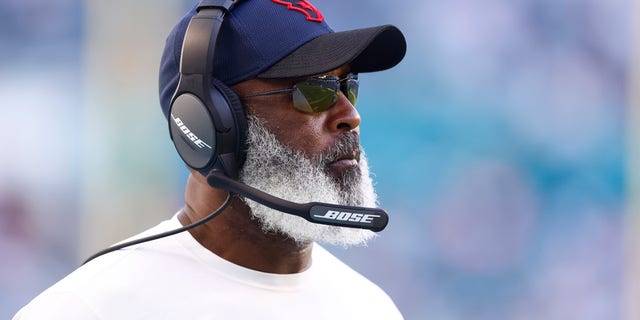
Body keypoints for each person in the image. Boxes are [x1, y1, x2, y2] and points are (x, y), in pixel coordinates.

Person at [13, 0, 407, 319]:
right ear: (209, 123)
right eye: (313, 91)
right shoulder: (88, 309)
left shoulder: (370, 308)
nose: (350, 115)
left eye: (347, 86)